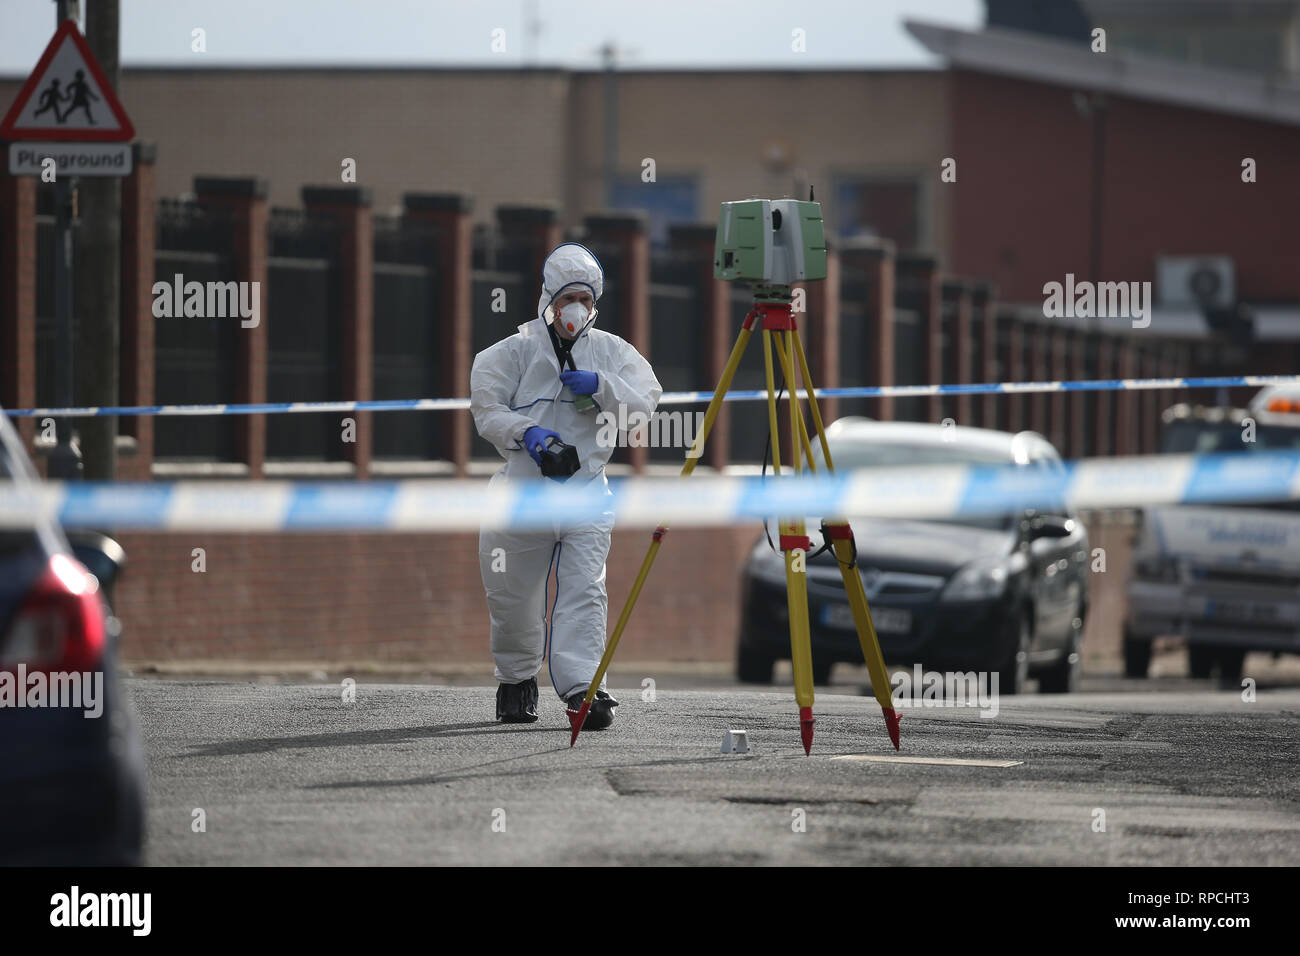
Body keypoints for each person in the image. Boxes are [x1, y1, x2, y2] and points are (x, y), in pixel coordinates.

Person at [471, 242, 661, 729]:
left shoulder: (613, 354)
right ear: (547, 299)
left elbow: (643, 410)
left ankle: (583, 691)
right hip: (522, 495)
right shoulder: (511, 353)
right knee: (514, 598)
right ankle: (516, 682)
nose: (575, 309)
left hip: (586, 494)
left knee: (584, 592)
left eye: (585, 298)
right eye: (566, 298)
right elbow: (487, 410)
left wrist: (601, 385)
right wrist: (526, 433)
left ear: (595, 302)